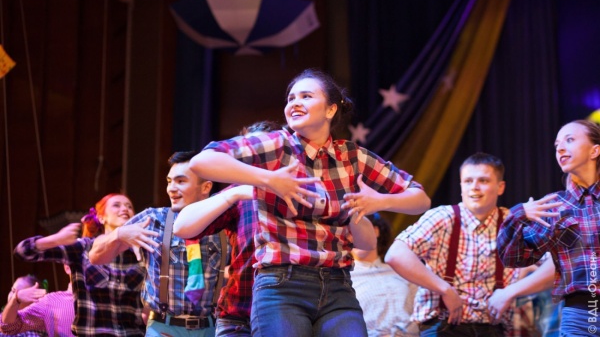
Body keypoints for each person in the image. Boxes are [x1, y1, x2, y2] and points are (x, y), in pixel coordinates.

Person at [189, 68, 431, 337]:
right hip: (281, 284)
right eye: (290, 98)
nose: (294, 103)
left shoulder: (353, 156)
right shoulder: (275, 145)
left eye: (306, 96)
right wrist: (269, 179)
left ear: (330, 110)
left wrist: (378, 201)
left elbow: (420, 198)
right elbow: (202, 161)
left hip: (338, 285)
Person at [385, 152, 554, 337]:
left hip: (493, 329)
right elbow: (395, 254)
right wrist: (444, 288)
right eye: (468, 181)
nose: (474, 187)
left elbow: (558, 263)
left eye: (483, 180)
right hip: (443, 325)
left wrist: (510, 292)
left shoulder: (513, 222)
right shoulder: (442, 217)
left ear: (500, 187)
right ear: (461, 186)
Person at [89, 151, 226, 337]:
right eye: (169, 181)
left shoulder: (224, 224)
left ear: (206, 187)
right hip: (163, 328)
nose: (171, 188)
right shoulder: (154, 219)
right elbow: (95, 257)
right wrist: (119, 234)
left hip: (211, 329)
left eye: (181, 181)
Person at [173, 120, 279, 336]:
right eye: (248, 150)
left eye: (262, 149)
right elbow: (182, 226)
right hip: (241, 313)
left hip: (284, 312)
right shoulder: (238, 192)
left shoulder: (298, 189)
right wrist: (235, 193)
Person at [497, 119, 600, 336]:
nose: (560, 148)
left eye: (569, 140)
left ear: (595, 150)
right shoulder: (555, 206)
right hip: (582, 315)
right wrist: (518, 215)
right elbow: (513, 258)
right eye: (557, 145)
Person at [13, 193, 145, 336]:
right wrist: (56, 239)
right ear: (101, 217)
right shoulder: (83, 248)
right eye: (116, 205)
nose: (125, 209)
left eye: (129, 206)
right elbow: (22, 251)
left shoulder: (142, 254)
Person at [350, 212, 420, 337]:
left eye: (359, 230)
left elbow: (421, 309)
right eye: (350, 233)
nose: (356, 238)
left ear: (375, 231)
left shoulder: (401, 270)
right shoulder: (344, 278)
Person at [0, 265, 74, 336]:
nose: (11, 296)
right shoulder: (49, 302)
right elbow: (8, 327)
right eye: (13, 291)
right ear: (67, 267)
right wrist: (16, 298)